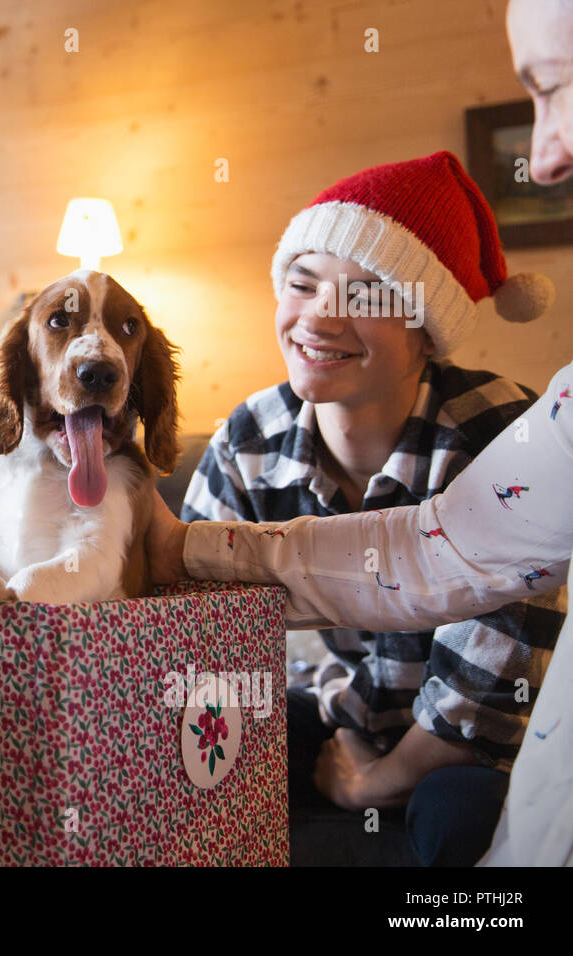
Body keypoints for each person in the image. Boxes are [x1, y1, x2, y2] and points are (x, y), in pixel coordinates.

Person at [145, 0, 573, 866]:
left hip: (470, 740)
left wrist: (368, 784)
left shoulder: (508, 428)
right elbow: (196, 643)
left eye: (368, 294)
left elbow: (483, 642)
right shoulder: (247, 436)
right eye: (302, 283)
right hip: (327, 708)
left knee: (457, 815)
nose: (321, 318)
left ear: (427, 329)